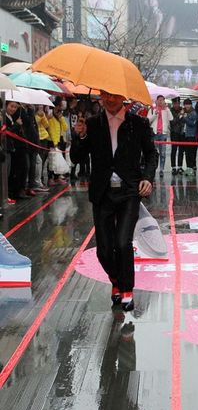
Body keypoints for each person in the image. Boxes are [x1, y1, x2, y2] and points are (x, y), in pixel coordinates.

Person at [71, 90, 158, 311]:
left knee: (122, 242)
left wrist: (147, 178)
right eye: (106, 95)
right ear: (100, 96)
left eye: (115, 96)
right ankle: (116, 280)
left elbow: (151, 154)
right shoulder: (92, 124)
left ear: (123, 97)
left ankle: (127, 289)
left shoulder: (137, 123)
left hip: (129, 191)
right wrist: (80, 136)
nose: (110, 99)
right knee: (104, 250)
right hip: (102, 193)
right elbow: (76, 158)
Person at [147, 95, 173, 177]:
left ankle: (161, 169)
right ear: (156, 101)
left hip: (163, 134)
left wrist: (167, 109)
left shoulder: (166, 110)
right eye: (159, 100)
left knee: (163, 153)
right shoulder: (152, 109)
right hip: (154, 133)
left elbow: (171, 119)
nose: (161, 101)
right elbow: (148, 120)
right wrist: (155, 114)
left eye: (162, 100)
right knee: (154, 153)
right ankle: (153, 168)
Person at [179, 98, 198, 175]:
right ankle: (188, 168)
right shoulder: (183, 112)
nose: (187, 106)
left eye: (188, 104)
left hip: (191, 135)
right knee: (186, 152)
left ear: (191, 105)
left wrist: (185, 118)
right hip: (184, 135)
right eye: (185, 104)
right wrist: (181, 115)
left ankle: (191, 168)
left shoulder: (193, 113)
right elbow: (179, 120)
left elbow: (192, 123)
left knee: (191, 152)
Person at [169, 97, 184, 175]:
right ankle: (173, 167)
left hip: (181, 133)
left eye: (178, 103)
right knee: (174, 150)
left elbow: (184, 120)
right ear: (173, 103)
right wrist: (179, 116)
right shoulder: (170, 111)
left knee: (181, 150)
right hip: (174, 132)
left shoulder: (182, 110)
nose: (176, 105)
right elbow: (172, 122)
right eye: (175, 103)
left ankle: (180, 166)